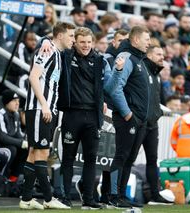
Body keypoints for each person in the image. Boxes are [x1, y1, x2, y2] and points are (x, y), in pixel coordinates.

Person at [58, 27, 124, 210]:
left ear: (93, 42)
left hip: (93, 117)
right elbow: (52, 41)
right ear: (75, 42)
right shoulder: (66, 56)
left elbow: (110, 87)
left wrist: (118, 70)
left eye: (89, 42)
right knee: (68, 158)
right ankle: (64, 197)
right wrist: (45, 43)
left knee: (91, 159)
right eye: (82, 42)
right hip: (72, 114)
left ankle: (88, 199)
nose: (86, 45)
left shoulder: (101, 60)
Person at [19, 22, 75, 210]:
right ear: (60, 36)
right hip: (39, 108)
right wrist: (44, 105)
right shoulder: (47, 49)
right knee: (42, 152)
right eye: (71, 36)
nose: (73, 40)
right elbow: (33, 77)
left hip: (47, 108)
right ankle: (49, 198)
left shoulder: (58, 53)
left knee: (34, 153)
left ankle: (26, 199)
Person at [105, 26, 151, 208]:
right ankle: (113, 195)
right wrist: (127, 113)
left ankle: (121, 195)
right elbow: (113, 88)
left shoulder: (140, 59)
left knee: (129, 158)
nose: (149, 43)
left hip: (138, 118)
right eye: (147, 39)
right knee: (121, 156)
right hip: (128, 117)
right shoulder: (125, 57)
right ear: (136, 40)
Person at [142, 45, 172, 205]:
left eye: (163, 54)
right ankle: (117, 193)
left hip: (152, 124)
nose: (162, 57)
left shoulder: (157, 74)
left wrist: (160, 112)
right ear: (149, 55)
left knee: (152, 159)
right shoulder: (142, 70)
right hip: (139, 123)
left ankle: (155, 194)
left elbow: (161, 101)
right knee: (127, 159)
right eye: (158, 54)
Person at [0, 90, 28, 180]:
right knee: (12, 149)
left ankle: (14, 179)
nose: (17, 104)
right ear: (6, 102)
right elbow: (2, 138)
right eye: (14, 101)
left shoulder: (15, 114)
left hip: (7, 144)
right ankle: (1, 177)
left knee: (26, 149)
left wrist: (28, 143)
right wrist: (22, 143)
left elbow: (17, 135)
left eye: (18, 101)